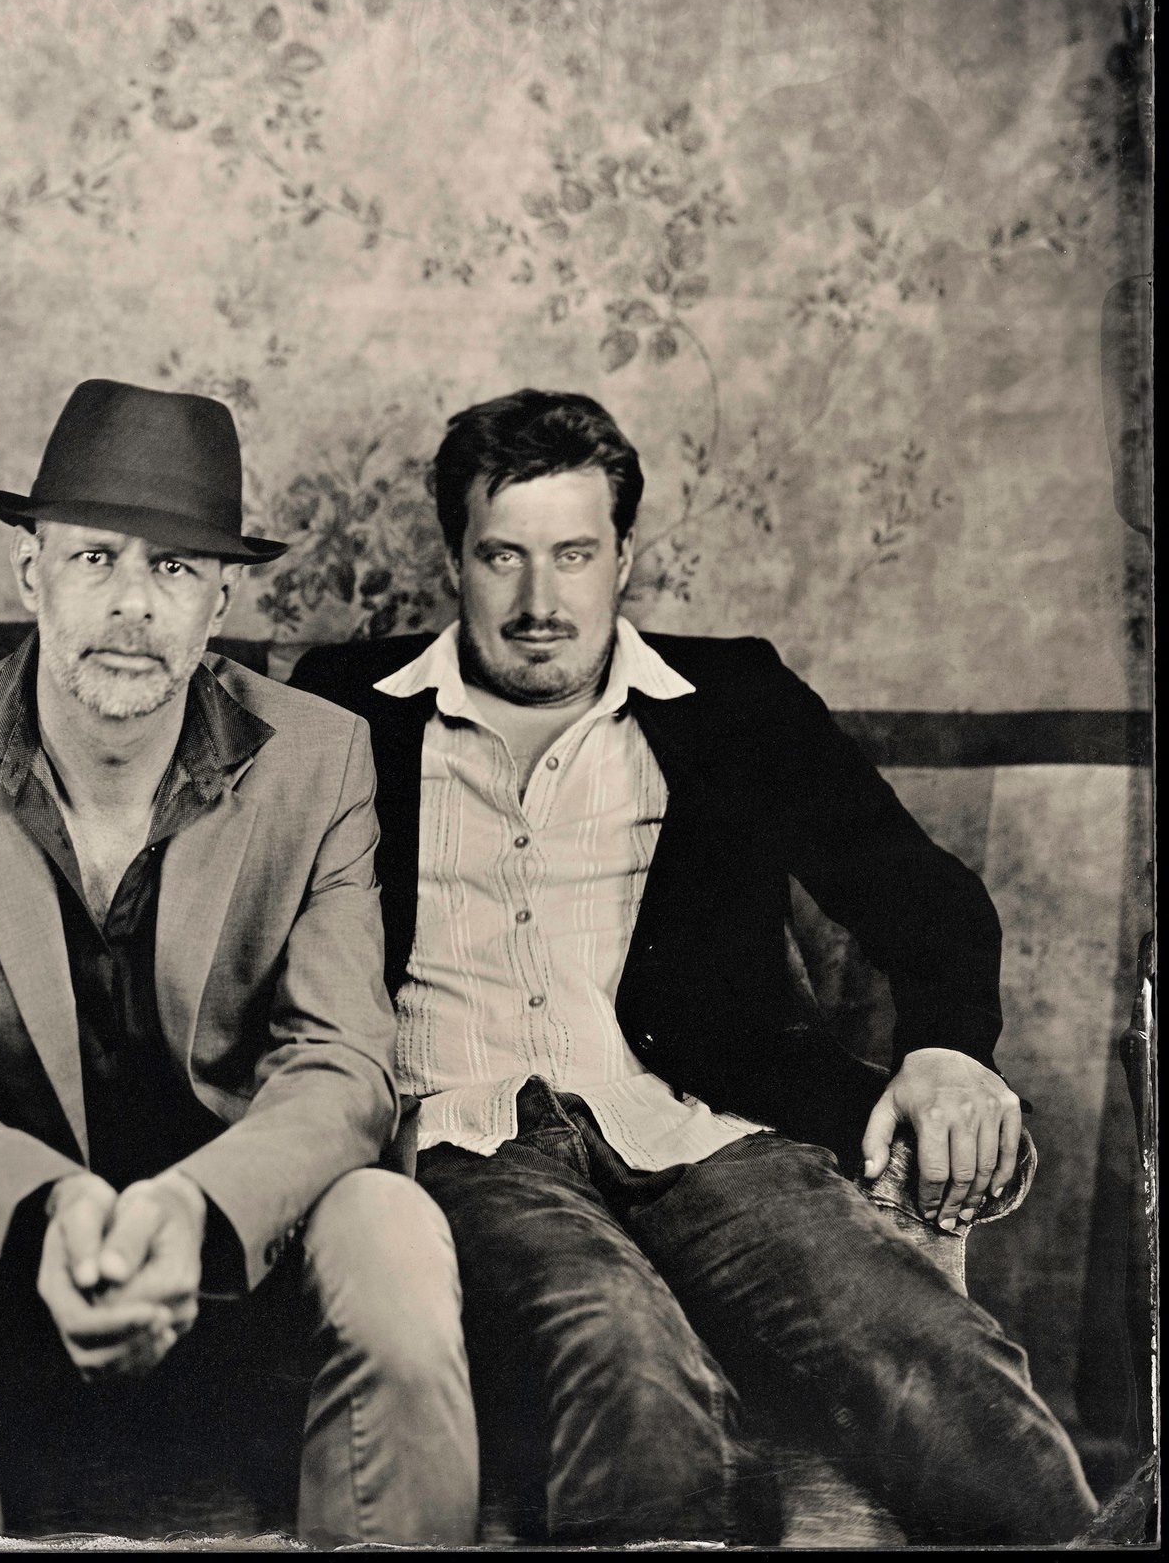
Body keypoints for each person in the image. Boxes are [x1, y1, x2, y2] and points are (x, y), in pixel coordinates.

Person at [289, 389, 1098, 1546]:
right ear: (453, 561)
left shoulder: (733, 702)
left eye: (573, 555)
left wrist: (945, 1051)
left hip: (698, 1124)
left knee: (929, 1352)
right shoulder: (339, 706)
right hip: (462, 1137)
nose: (537, 601)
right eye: (502, 556)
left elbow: (917, 892)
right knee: (621, 1354)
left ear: (622, 558)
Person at [0, 378, 478, 1547]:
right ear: (29, 571)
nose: (130, 604)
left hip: (239, 1255)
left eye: (172, 568)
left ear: (219, 599)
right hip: (4, 1246)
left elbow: (341, 1067)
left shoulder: (321, 759)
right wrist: (51, 1207)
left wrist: (194, 1209)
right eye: (95, 559)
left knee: (392, 1225)